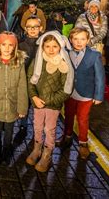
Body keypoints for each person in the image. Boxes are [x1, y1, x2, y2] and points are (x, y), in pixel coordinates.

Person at [26, 31, 74, 172]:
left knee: (49, 129)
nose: (51, 50)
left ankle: (47, 154)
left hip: (53, 104)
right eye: (47, 46)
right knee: (38, 126)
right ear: (42, 47)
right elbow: (31, 80)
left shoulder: (64, 64)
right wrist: (34, 97)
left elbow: (67, 89)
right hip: (37, 102)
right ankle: (37, 149)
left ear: (60, 47)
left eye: (55, 46)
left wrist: (49, 100)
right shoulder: (38, 61)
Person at [57, 27, 105, 160]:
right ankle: (67, 137)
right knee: (68, 116)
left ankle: (83, 143)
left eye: (83, 39)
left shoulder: (94, 55)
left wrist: (99, 95)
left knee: (83, 119)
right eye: (76, 39)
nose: (79, 42)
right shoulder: (65, 53)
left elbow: (100, 77)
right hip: (70, 92)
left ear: (88, 40)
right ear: (70, 40)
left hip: (86, 94)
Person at [0, 32, 28, 164]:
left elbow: (22, 86)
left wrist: (22, 107)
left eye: (10, 45)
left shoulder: (19, 63)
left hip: (12, 104)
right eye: (3, 44)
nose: (7, 48)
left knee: (9, 130)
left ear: (15, 47)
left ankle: (7, 150)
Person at [15, 16, 42, 143]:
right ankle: (23, 127)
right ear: (25, 29)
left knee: (38, 107)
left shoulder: (44, 45)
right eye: (29, 27)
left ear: (40, 28)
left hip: (39, 83)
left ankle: (38, 130)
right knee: (24, 105)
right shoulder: (20, 46)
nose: (32, 29)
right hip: (24, 81)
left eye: (35, 27)